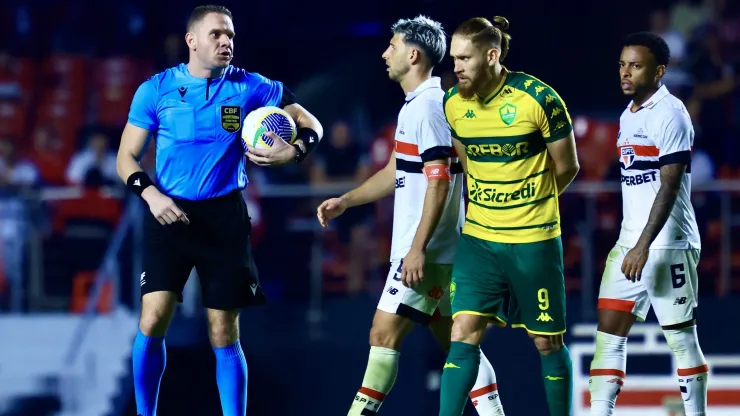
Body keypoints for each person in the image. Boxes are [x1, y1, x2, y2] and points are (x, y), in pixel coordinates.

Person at [116, 5, 323, 416]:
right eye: (216, 35)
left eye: (230, 35)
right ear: (192, 41)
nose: (226, 41)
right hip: (167, 212)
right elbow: (126, 157)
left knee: (223, 330)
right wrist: (152, 196)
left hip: (225, 218)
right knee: (153, 317)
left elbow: (310, 124)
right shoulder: (155, 89)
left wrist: (295, 150)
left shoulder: (251, 87)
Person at [317, 15, 504, 416]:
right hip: (438, 251)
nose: (386, 52)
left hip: (428, 252)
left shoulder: (430, 108)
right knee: (456, 342)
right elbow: (395, 172)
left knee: (383, 333)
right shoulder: (417, 106)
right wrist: (347, 200)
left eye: (393, 45)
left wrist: (416, 250)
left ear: (413, 54)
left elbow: (439, 183)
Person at [439, 16, 580, 416]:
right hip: (479, 239)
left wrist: (531, 204)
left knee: (546, 342)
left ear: (492, 55)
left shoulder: (539, 99)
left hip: (533, 243)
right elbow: (466, 161)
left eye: (465, 58)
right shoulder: (453, 103)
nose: (457, 67)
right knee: (462, 333)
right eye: (454, 59)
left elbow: (567, 166)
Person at [588, 32, 707, 416]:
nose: (625, 73)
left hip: (668, 242)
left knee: (680, 338)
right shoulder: (629, 114)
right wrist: (632, 242)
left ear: (659, 71)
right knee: (608, 331)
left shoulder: (671, 113)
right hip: (630, 242)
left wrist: (643, 245)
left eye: (635, 66)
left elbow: (669, 186)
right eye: (623, 64)